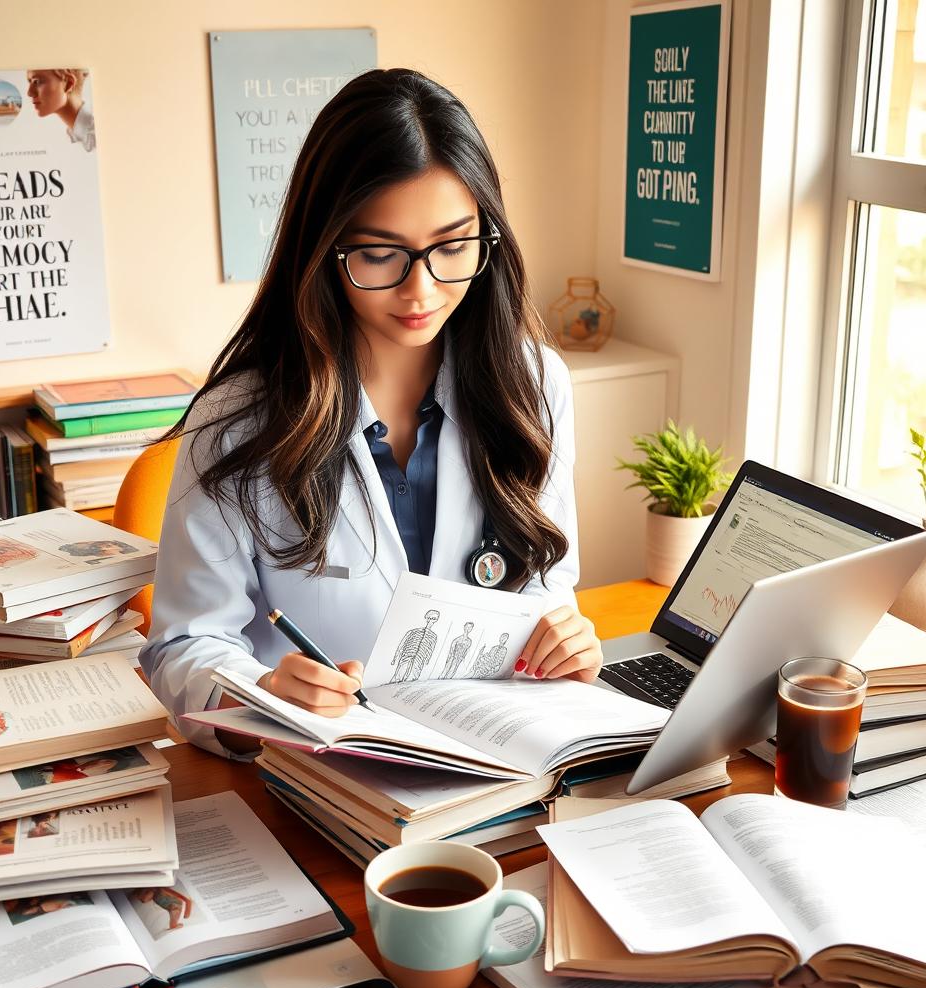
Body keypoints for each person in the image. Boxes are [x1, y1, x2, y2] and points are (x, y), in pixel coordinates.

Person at [140, 69, 603, 758]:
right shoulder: (235, 420)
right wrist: (263, 690)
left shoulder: (535, 386)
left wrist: (563, 637)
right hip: (312, 774)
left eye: (452, 247)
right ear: (324, 249)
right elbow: (184, 644)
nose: (422, 289)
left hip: (491, 768)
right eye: (380, 254)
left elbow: (542, 583)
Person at [26, 69, 95, 152]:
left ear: (68, 84)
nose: (30, 93)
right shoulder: (75, 134)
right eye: (30, 82)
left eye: (36, 82)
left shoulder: (98, 135)